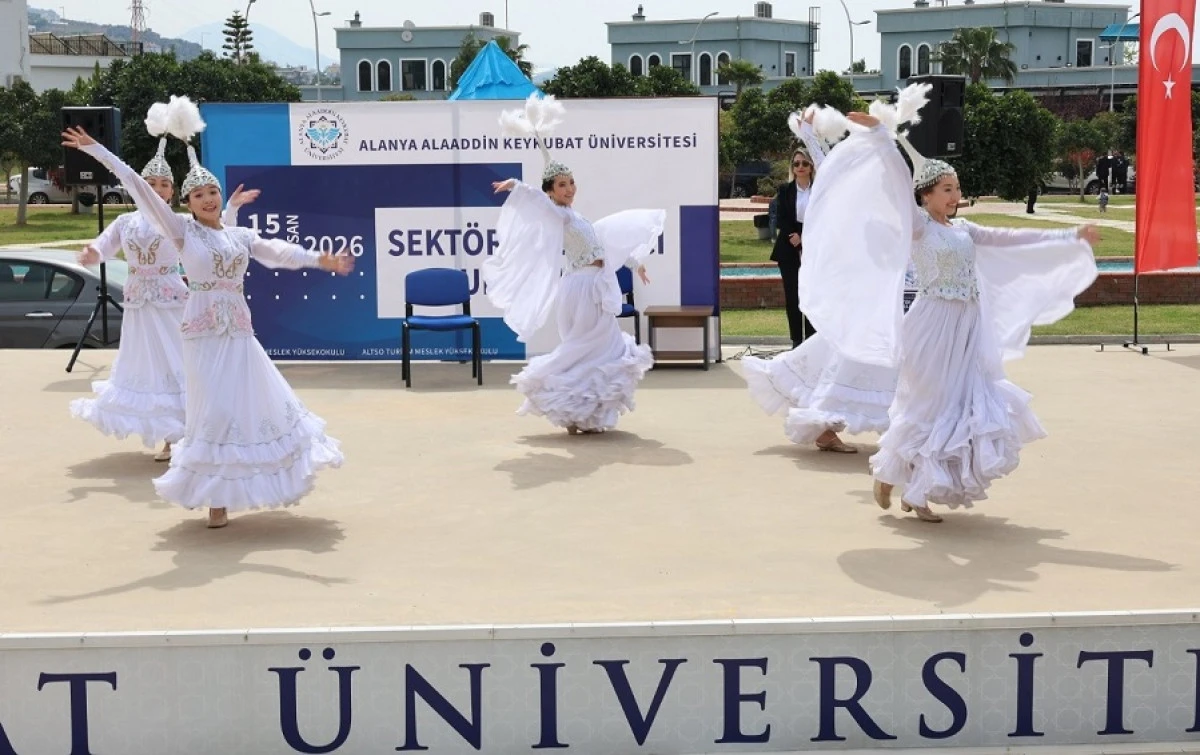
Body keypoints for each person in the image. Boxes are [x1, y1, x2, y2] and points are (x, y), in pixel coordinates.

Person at [795, 92, 1100, 524]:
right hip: (931, 323)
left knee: (960, 405)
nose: (955, 195)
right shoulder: (917, 225)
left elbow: (1012, 238)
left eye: (957, 188)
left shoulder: (966, 230)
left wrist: (1071, 235)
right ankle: (898, 476)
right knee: (927, 405)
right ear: (926, 195)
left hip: (967, 327)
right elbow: (892, 183)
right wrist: (882, 136)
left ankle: (910, 484)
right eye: (947, 188)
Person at [61, 96, 353, 529]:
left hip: (238, 332)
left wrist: (317, 259)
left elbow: (279, 252)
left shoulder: (238, 235)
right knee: (211, 409)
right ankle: (215, 496)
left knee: (258, 402)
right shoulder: (179, 231)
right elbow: (139, 189)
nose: (207, 198)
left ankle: (249, 479)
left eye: (212, 191)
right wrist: (96, 151)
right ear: (188, 202)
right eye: (198, 194)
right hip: (201, 334)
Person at [69, 104, 253, 462]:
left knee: (179, 365)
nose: (156, 189)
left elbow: (223, 237)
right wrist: (92, 253)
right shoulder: (126, 222)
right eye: (150, 184)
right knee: (150, 370)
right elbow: (104, 245)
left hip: (173, 301)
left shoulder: (180, 223)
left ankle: (185, 433)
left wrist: (231, 208)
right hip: (139, 305)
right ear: (142, 187)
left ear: (172, 192)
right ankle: (168, 432)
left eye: (164, 184)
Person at [484, 94, 664, 435]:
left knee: (595, 349)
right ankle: (556, 393)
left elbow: (602, 244)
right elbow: (538, 204)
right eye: (562, 185)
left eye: (571, 183)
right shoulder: (557, 214)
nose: (569, 189)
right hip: (581, 289)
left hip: (590, 286)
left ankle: (581, 413)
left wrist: (635, 262)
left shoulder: (576, 215)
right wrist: (517, 187)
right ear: (551, 191)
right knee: (591, 348)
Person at [743, 108, 899, 454]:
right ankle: (823, 421)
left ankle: (890, 429)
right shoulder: (845, 193)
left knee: (864, 356)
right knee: (841, 354)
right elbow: (828, 166)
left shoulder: (878, 199)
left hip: (867, 287)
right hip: (850, 285)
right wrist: (810, 136)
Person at [770, 131, 818, 348]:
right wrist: (794, 237)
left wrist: (805, 237)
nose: (800, 167)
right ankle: (796, 342)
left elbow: (824, 218)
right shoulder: (785, 190)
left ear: (811, 167)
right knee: (793, 296)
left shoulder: (819, 190)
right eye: (796, 163)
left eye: (804, 163)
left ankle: (811, 341)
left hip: (813, 248)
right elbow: (781, 218)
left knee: (812, 296)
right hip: (788, 248)